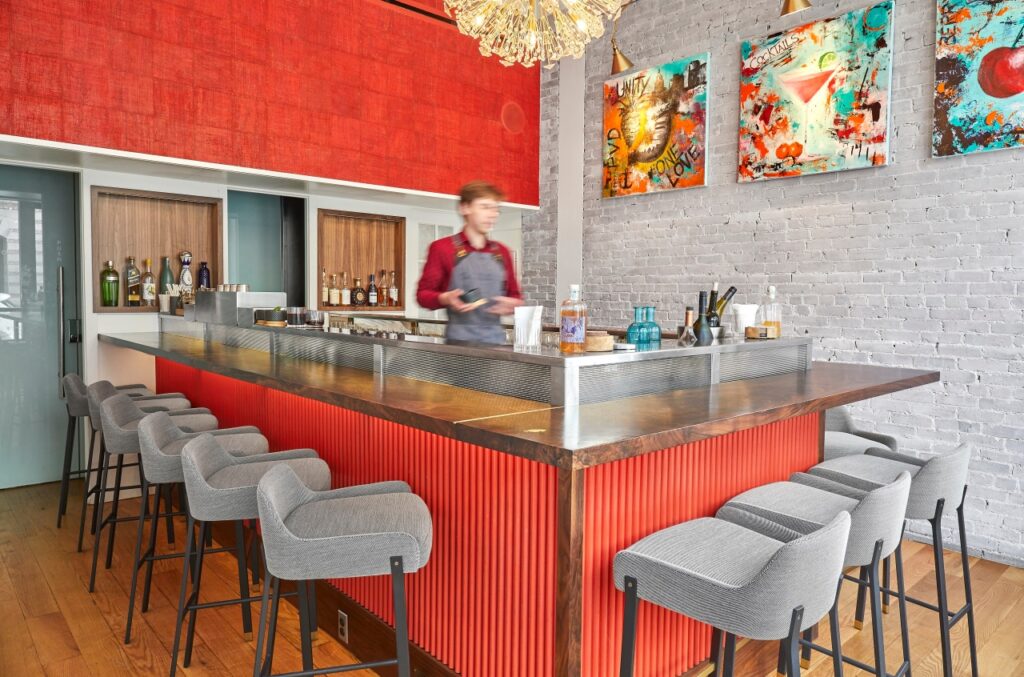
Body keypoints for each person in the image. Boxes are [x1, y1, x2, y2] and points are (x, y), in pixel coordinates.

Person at [416, 181, 523, 344]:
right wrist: (446, 298)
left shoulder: (502, 252)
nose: (493, 214)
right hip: (458, 346)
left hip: (497, 344)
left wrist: (513, 304)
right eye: (485, 207)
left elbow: (515, 295)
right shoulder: (442, 248)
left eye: (496, 209)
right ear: (464, 208)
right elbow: (422, 295)